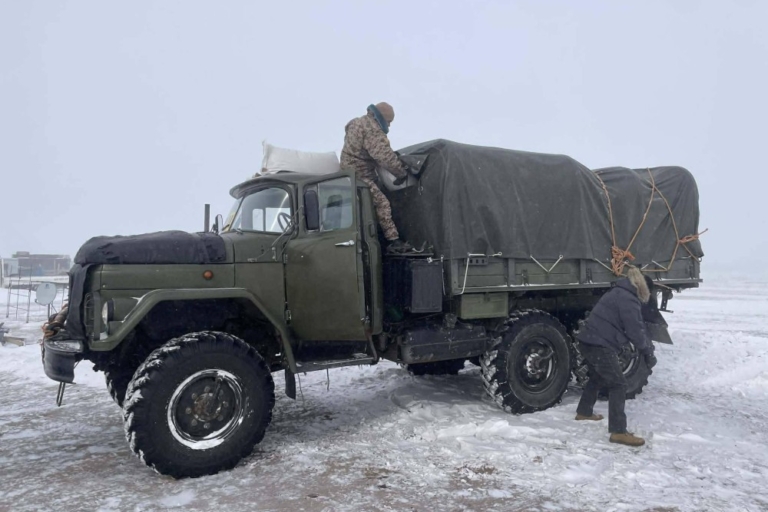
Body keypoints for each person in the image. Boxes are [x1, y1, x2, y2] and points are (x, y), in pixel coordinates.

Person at [574, 266, 658, 447]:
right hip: (599, 344)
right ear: (643, 289)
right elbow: (635, 330)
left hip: (588, 340)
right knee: (618, 384)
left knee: (598, 376)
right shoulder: (629, 299)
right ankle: (618, 432)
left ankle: (584, 411)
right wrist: (647, 351)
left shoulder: (618, 292)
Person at [340, 102, 412, 253]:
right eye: (389, 122)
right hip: (359, 175)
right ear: (382, 118)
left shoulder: (357, 122)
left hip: (349, 173)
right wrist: (402, 173)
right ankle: (393, 240)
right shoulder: (372, 129)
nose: (389, 126)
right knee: (382, 203)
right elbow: (384, 157)